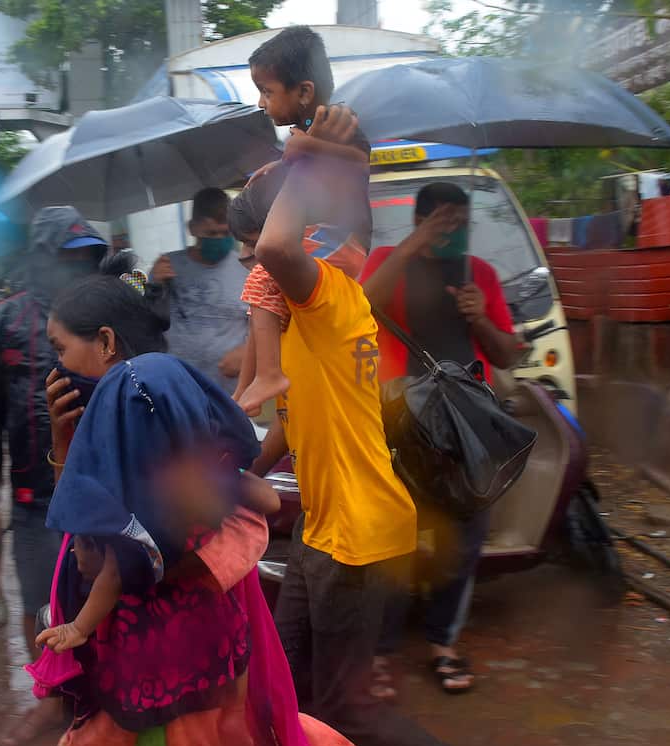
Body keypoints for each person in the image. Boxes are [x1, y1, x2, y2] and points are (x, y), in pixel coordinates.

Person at [251, 105, 551, 746]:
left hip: (351, 529)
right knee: (286, 685)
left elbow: (277, 242)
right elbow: (298, 411)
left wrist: (310, 161)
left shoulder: (319, 291)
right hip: (325, 522)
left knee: (348, 705)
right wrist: (251, 474)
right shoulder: (308, 309)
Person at [24, 262, 350, 746]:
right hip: (211, 665)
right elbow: (260, 498)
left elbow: (98, 553)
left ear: (108, 344)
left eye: (63, 349)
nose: (58, 366)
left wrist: (68, 451)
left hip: (152, 679)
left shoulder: (128, 402)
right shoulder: (174, 402)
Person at [359, 181, 525, 696]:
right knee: (393, 535)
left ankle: (444, 644)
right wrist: (417, 243)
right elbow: (363, 305)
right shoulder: (390, 258)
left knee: (465, 535)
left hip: (466, 427)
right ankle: (379, 652)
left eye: (461, 220)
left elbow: (508, 354)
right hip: (401, 420)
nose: (454, 229)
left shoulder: (481, 275)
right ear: (420, 219)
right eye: (443, 219)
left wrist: (480, 318)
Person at [0, 206, 109, 746]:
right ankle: (51, 700)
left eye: (89, 258)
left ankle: (104, 696)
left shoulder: (113, 310)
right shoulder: (3, 322)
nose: (82, 269)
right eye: (70, 259)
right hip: (36, 496)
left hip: (107, 488)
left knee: (112, 594)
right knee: (39, 604)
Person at [234, 24, 374, 416]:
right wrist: (286, 159)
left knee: (264, 273)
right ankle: (248, 384)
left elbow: (359, 163)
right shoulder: (312, 125)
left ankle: (267, 375)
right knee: (263, 292)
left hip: (344, 241)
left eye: (266, 91)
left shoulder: (338, 118)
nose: (261, 103)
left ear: (304, 92)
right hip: (329, 237)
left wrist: (302, 147)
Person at [148, 188, 248, 394]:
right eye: (211, 233)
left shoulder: (246, 270)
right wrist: (155, 285)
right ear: (192, 228)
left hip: (228, 392)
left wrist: (249, 354)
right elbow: (147, 321)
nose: (219, 239)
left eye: (226, 233)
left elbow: (264, 326)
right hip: (177, 388)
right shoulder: (167, 266)